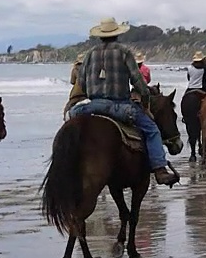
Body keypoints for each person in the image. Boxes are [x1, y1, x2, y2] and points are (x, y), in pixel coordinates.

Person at [71, 17, 178, 186]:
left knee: (71, 119)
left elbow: (82, 83)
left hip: (93, 105)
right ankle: (160, 169)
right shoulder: (124, 52)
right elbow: (137, 81)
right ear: (117, 35)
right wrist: (145, 97)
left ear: (100, 35)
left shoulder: (90, 54)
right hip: (119, 107)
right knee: (152, 130)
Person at [63, 53, 86, 120]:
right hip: (89, 93)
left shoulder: (75, 69)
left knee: (66, 111)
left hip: (76, 94)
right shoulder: (91, 67)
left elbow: (72, 82)